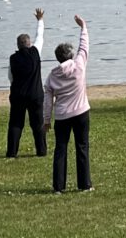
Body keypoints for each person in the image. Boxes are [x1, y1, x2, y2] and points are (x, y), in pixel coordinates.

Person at [43, 15, 93, 193]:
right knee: (82, 147)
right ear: (70, 55)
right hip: (81, 113)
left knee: (60, 149)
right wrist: (83, 27)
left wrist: (47, 120)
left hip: (62, 116)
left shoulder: (52, 75)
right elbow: (84, 47)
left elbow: (48, 99)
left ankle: (58, 187)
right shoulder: (79, 65)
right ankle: (85, 185)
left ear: (58, 58)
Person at [6, 8, 47, 158]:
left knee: (16, 124)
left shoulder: (13, 58)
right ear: (29, 44)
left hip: (18, 95)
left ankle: (12, 152)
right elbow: (40, 36)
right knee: (37, 123)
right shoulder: (35, 53)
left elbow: (10, 76)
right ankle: (41, 151)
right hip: (35, 95)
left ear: (18, 46)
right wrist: (40, 20)